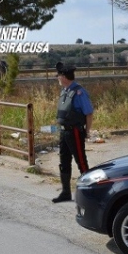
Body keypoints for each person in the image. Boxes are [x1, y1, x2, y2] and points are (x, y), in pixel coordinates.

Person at [52, 62, 94, 203]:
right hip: (64, 132)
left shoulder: (79, 92)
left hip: (75, 131)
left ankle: (90, 193)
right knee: (64, 161)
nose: (57, 78)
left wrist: (87, 132)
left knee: (81, 161)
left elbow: (88, 113)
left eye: (58, 76)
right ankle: (65, 192)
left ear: (64, 76)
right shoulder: (65, 90)